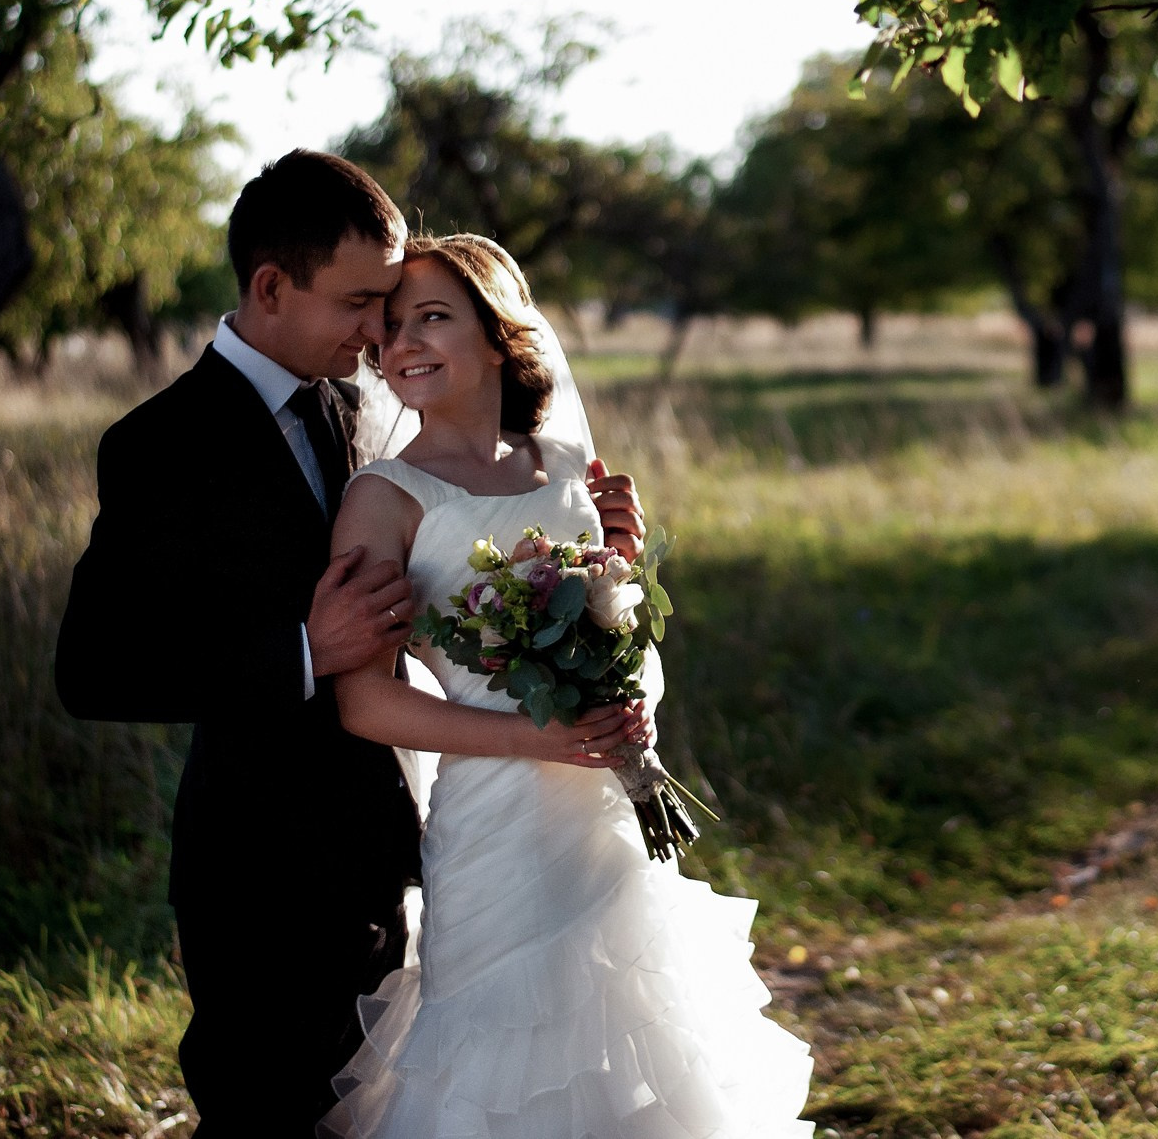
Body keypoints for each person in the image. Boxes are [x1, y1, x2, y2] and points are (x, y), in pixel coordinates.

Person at [53, 152, 648, 1135]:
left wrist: (587, 557)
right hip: (261, 860)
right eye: (362, 301)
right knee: (266, 1109)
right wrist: (298, 649)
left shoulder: (359, 405)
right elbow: (92, 667)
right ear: (271, 286)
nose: (381, 331)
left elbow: (454, 564)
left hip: (396, 834)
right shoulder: (162, 442)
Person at [318, 233, 814, 1139]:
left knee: (633, 1039)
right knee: (499, 1057)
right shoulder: (383, 498)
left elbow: (626, 638)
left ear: (500, 334)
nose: (403, 344)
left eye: (432, 317)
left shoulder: (564, 473)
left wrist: (634, 702)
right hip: (488, 824)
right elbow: (366, 702)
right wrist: (535, 739)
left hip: (602, 810)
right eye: (388, 329)